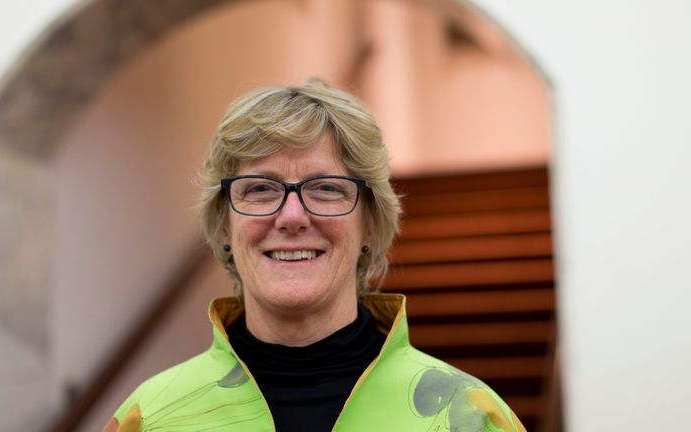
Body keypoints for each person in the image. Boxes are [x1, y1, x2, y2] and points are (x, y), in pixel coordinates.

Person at [102, 79, 526, 432]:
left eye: (326, 188)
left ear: (371, 225)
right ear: (224, 225)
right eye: (260, 188)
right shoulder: (150, 417)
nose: (291, 216)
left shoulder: (469, 416)